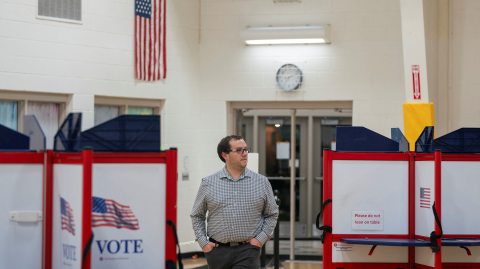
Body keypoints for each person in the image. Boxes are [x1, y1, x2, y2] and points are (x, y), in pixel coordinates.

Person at [190, 135, 279, 269]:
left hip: (248, 251)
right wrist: (204, 243)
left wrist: (260, 240)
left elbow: (272, 214)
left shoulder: (261, 182)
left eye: (245, 149)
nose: (244, 154)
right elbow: (197, 215)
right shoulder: (208, 183)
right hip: (217, 251)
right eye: (238, 150)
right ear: (225, 155)